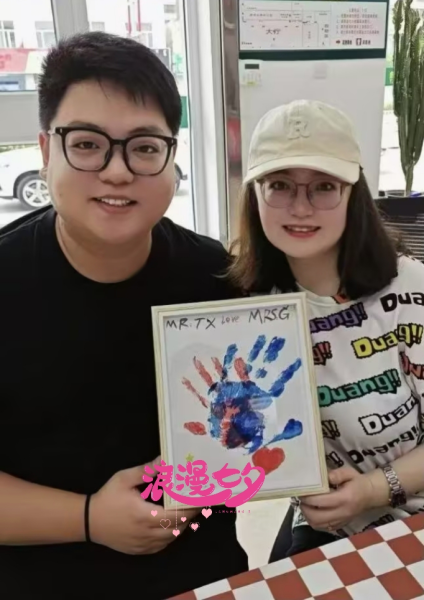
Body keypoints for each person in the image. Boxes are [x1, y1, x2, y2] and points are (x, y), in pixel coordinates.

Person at [0, 31, 248, 599]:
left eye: (144, 146)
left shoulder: (214, 275)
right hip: (42, 578)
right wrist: (91, 518)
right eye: (87, 144)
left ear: (171, 157)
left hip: (203, 569)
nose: (117, 172)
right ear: (46, 152)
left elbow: (239, 432)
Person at [227, 99, 424, 560]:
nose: (301, 207)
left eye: (324, 186)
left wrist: (373, 489)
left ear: (353, 194)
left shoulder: (410, 291)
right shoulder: (246, 311)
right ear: (254, 195)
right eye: (279, 185)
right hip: (327, 521)